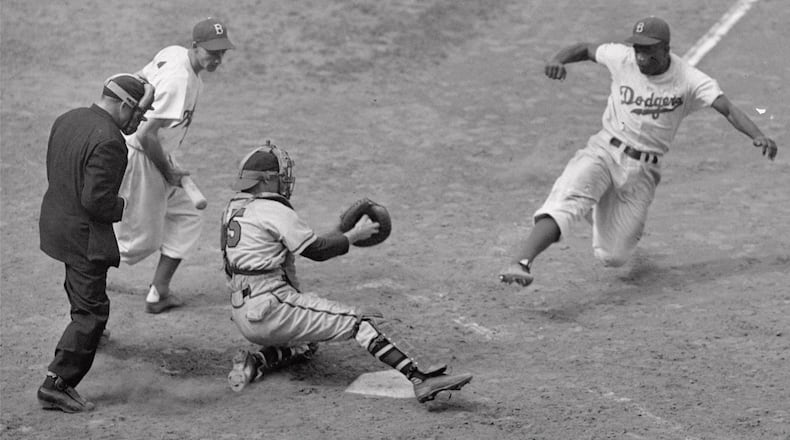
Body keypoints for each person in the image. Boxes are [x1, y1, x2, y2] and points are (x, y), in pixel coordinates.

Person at [499, 16, 778, 288]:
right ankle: (521, 262)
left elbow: (726, 108)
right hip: (604, 151)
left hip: (643, 172)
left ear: (666, 49)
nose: (641, 57)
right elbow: (585, 49)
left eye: (649, 50)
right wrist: (557, 59)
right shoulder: (622, 58)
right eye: (638, 49)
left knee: (613, 256)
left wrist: (758, 135)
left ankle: (598, 208)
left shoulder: (690, 79)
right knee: (566, 202)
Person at [220, 142, 473, 403]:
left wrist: (340, 230)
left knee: (307, 343)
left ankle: (256, 362)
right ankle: (422, 378)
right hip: (274, 307)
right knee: (364, 321)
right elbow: (317, 251)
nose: (285, 181)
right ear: (266, 181)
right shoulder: (273, 209)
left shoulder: (234, 209)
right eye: (280, 177)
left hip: (245, 312)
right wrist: (353, 236)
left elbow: (302, 244)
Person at [38, 74, 155, 412]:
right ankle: (57, 383)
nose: (140, 121)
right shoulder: (111, 141)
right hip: (83, 235)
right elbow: (96, 200)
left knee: (79, 288)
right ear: (123, 105)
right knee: (92, 312)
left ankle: (86, 340)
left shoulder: (68, 118)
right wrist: (122, 206)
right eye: (138, 113)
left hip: (56, 223)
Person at [114, 17, 235, 313]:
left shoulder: (174, 53)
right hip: (142, 157)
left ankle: (159, 292)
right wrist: (168, 172)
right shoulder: (180, 80)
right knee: (137, 243)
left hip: (156, 153)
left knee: (188, 216)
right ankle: (83, 264)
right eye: (211, 52)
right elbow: (145, 135)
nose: (217, 59)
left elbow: (138, 80)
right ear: (195, 46)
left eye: (222, 52)